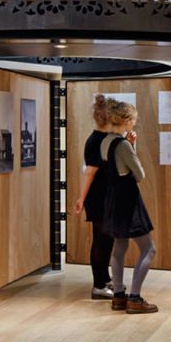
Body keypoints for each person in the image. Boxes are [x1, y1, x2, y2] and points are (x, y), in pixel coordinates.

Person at [98, 97, 158, 314]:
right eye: (133, 119)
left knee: (119, 247)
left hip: (113, 200)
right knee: (149, 249)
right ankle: (135, 297)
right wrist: (132, 147)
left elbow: (120, 167)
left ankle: (119, 296)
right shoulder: (122, 144)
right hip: (128, 201)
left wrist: (132, 146)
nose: (134, 123)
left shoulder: (105, 142)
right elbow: (139, 174)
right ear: (126, 120)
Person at [73, 95, 115, 299]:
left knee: (107, 239)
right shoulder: (96, 141)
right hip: (98, 197)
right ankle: (98, 285)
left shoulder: (103, 139)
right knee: (101, 239)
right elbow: (89, 173)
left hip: (104, 196)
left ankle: (105, 279)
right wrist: (81, 199)